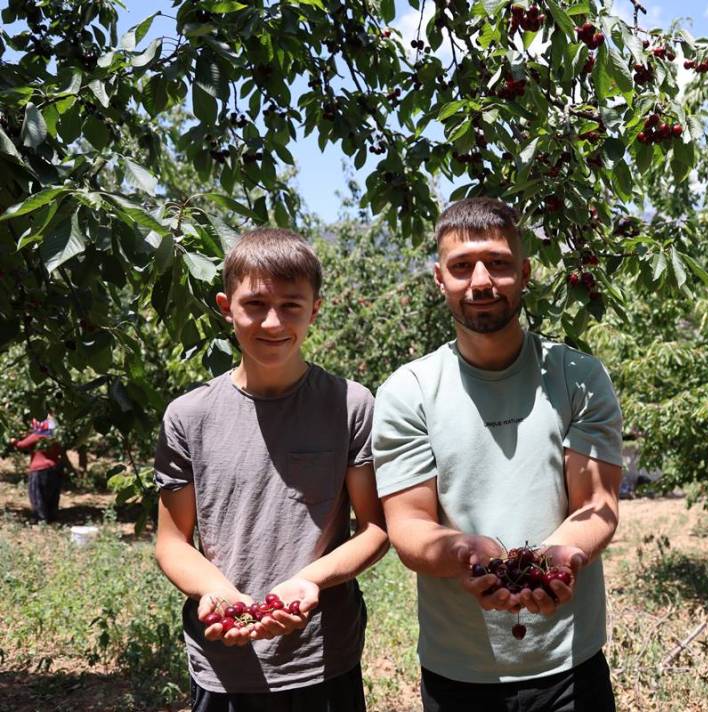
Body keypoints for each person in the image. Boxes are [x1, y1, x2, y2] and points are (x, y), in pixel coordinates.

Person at [372, 197, 624, 711]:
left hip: (570, 666)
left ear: (525, 272)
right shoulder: (409, 391)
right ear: (440, 278)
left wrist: (559, 560)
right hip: (458, 670)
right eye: (462, 267)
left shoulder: (578, 377)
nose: (481, 282)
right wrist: (465, 552)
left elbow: (596, 503)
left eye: (499, 263)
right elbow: (409, 526)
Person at [153, 228, 389, 711]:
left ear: (316, 310)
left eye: (291, 305)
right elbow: (171, 540)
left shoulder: (351, 406)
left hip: (322, 654)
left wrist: (310, 582)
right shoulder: (188, 416)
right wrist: (217, 591)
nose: (273, 322)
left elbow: (375, 529)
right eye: (255, 304)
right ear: (226, 305)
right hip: (223, 657)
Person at [10, 414, 65, 523]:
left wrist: (13, 441)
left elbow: (22, 445)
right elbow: (59, 451)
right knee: (52, 495)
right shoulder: (54, 437)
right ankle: (52, 517)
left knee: (37, 495)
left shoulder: (38, 435)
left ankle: (41, 519)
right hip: (54, 469)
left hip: (38, 470)